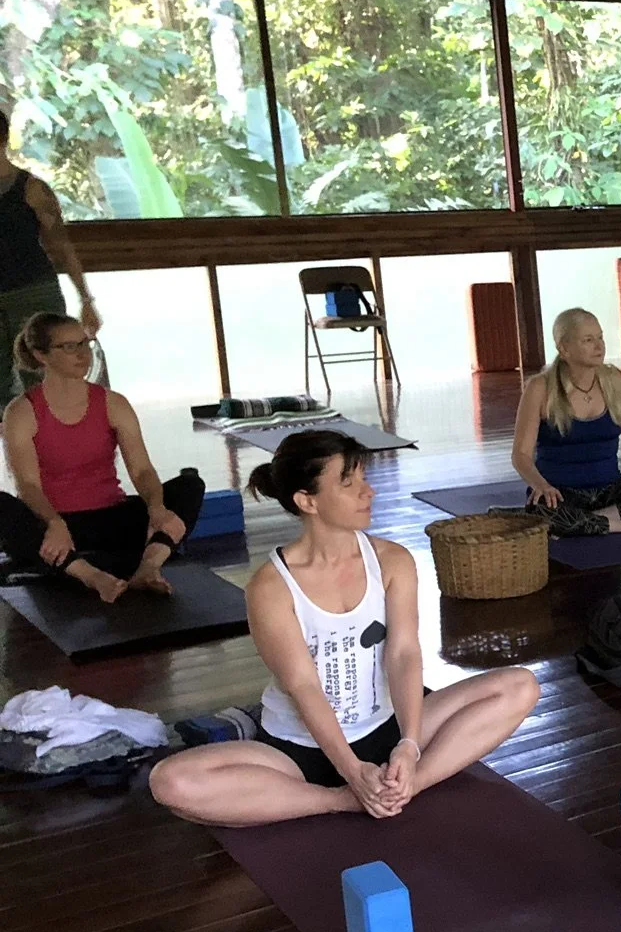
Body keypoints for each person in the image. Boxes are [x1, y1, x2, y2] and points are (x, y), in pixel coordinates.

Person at [148, 430, 540, 826]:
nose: (367, 492)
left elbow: (404, 652)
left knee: (521, 686)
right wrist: (352, 775)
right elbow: (303, 685)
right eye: (348, 483)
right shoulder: (270, 587)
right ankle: (338, 800)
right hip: (298, 748)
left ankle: (407, 787)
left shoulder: (392, 560)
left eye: (364, 479)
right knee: (171, 782)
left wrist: (408, 745)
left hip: (388, 728)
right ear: (307, 500)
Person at [0, 312, 204, 602]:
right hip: (57, 527)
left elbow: (142, 470)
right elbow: (28, 486)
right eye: (69, 347)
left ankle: (147, 568)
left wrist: (157, 507)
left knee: (189, 486)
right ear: (40, 355)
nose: (83, 354)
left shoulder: (113, 403)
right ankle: (91, 575)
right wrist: (55, 524)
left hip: (112, 519)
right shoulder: (21, 412)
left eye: (85, 343)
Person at [510, 308, 621, 536]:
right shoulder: (540, 388)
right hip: (560, 495)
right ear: (564, 348)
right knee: (546, 512)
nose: (599, 346)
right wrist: (541, 485)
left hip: (610, 491)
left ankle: (589, 524)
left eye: (600, 337)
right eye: (588, 340)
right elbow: (521, 455)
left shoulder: (615, 379)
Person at [0, 110, 98, 395]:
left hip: (33, 291)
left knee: (44, 376)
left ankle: (54, 438)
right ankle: (15, 438)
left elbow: (61, 245)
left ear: (4, 139)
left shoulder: (32, 190)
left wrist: (86, 298)